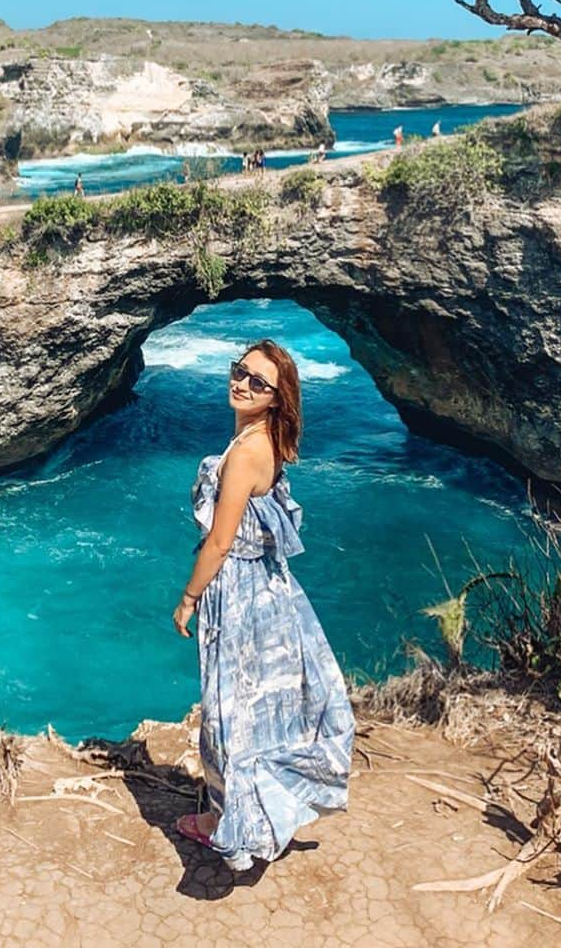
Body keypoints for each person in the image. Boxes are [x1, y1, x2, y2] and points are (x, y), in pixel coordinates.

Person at [172, 339, 355, 872]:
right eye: (239, 372)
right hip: (269, 592)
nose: (242, 384)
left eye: (258, 382)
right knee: (264, 710)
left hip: (239, 594)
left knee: (229, 710)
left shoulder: (248, 452)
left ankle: (226, 825)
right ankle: (265, 810)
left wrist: (188, 598)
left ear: (276, 398)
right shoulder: (265, 441)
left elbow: (221, 542)